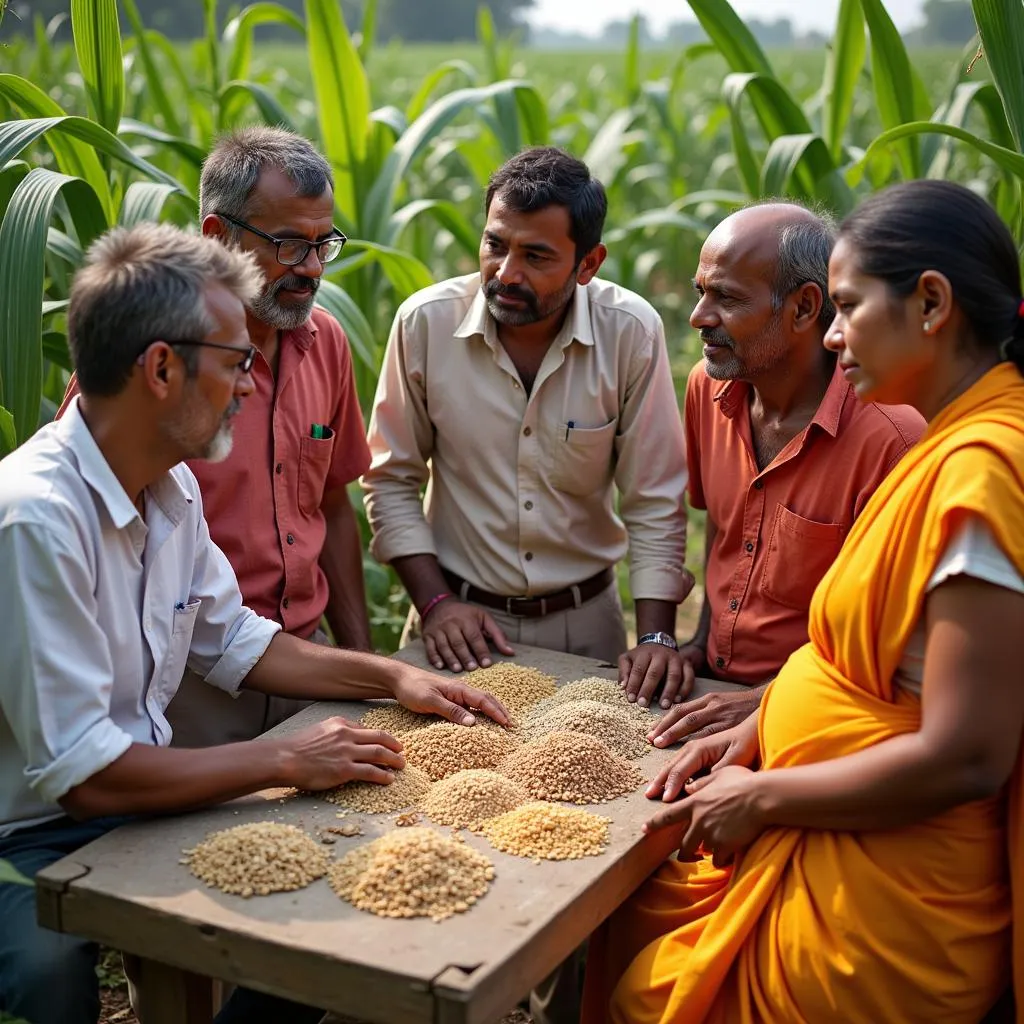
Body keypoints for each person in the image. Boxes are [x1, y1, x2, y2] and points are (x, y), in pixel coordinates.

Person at [0, 224, 508, 1024]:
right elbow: (85, 775)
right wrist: (285, 759)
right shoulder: (35, 521)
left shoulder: (170, 488)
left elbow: (232, 637)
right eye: (238, 362)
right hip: (24, 831)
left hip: (133, 792)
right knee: (51, 982)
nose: (249, 384)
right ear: (161, 368)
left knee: (318, 929)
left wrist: (394, 675)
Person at [582, 180, 1024, 1023]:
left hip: (881, 888)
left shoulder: (976, 469)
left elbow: (970, 753)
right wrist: (758, 726)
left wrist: (762, 796)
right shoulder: (959, 448)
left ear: (931, 304)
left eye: (849, 308)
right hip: (802, 791)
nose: (832, 336)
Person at [59, 126, 373, 748]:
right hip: (185, 688)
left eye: (322, 244)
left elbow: (333, 504)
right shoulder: (155, 371)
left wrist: (364, 667)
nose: (310, 269)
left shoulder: (327, 343)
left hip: (305, 668)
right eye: (287, 244)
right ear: (216, 236)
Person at [362, 146, 691, 678]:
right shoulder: (425, 324)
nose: (507, 273)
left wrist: (655, 636)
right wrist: (436, 604)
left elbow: (654, 498)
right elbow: (390, 478)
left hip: (586, 624)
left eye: (536, 256)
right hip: (455, 624)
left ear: (588, 263)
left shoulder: (630, 332)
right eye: (495, 245)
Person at [622, 202, 924, 746]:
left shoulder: (892, 439)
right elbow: (726, 529)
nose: (699, 317)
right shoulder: (707, 389)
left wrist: (764, 702)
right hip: (716, 687)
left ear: (806, 308)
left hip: (824, 711)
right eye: (700, 292)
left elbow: (891, 639)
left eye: (728, 298)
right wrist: (696, 642)